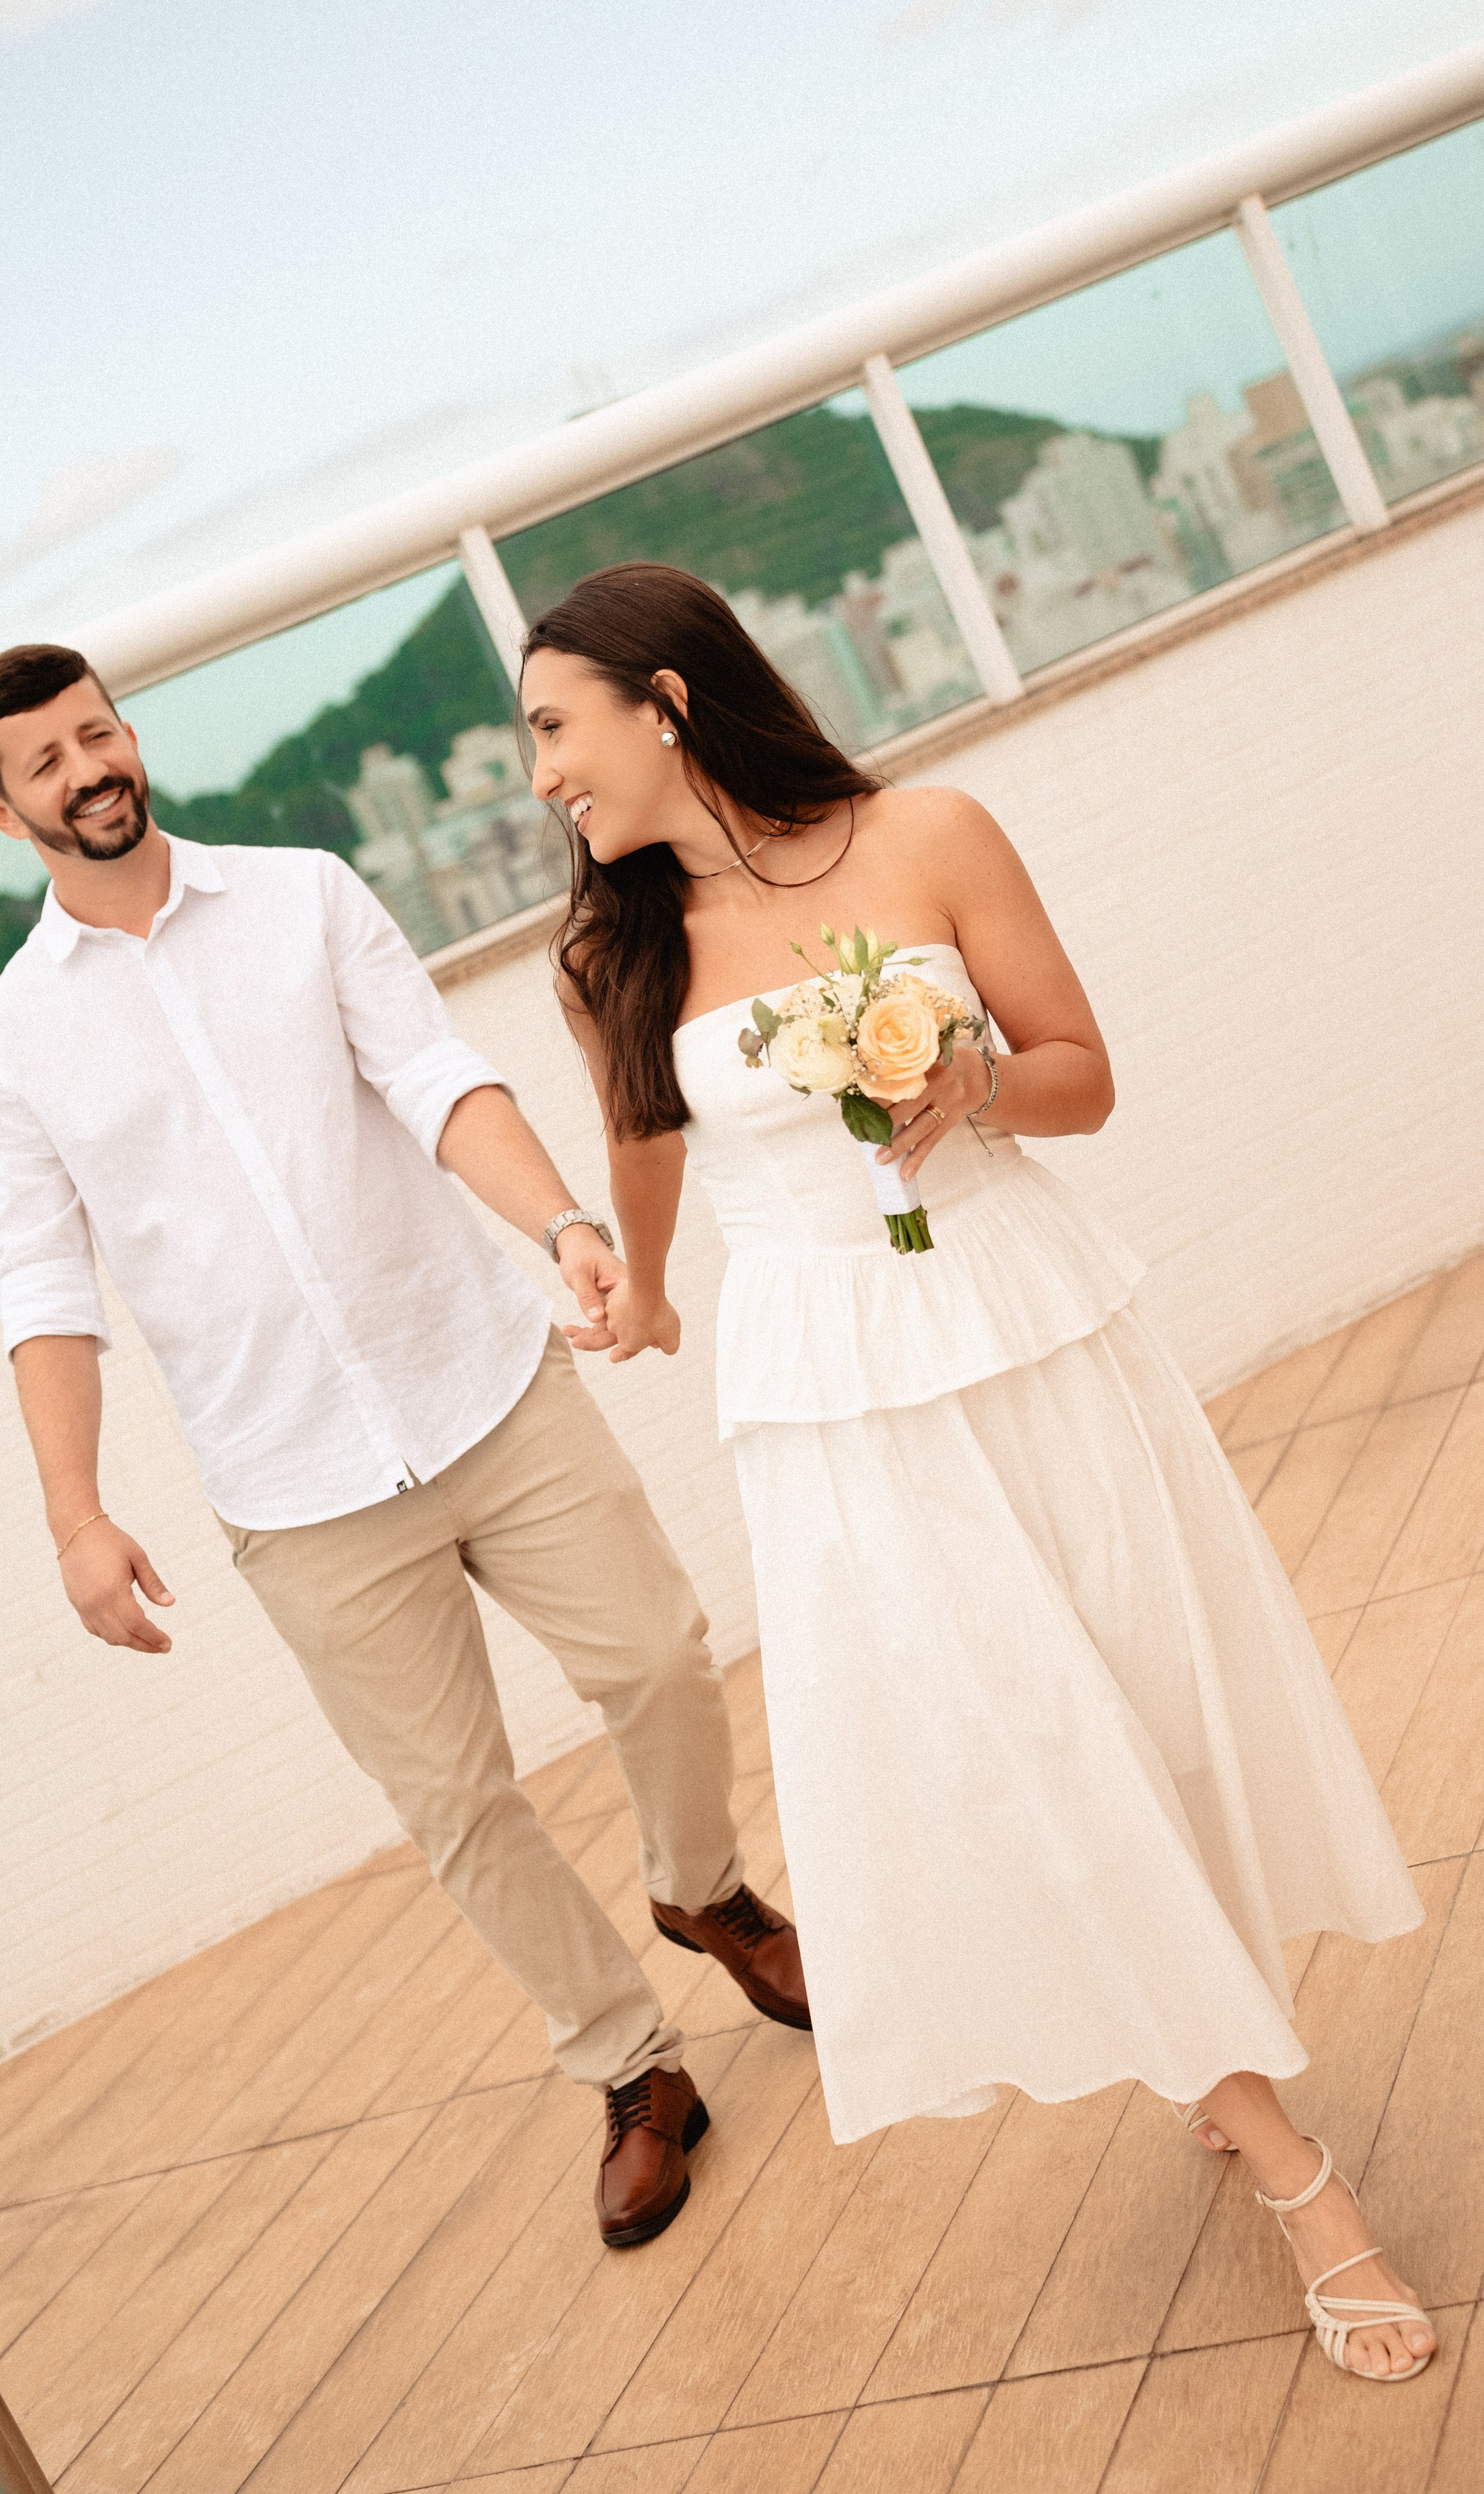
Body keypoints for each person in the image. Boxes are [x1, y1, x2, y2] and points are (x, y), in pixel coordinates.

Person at [521, 562, 1435, 2383]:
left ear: (668, 700)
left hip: (1029, 1322)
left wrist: (969, 1087)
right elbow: (644, 1192)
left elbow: (1082, 1072)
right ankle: (1295, 2172)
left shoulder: (927, 830)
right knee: (1029, 1746)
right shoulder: (605, 957)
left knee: (1143, 1706)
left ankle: (1197, 2036)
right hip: (836, 1400)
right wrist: (615, 1295)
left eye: (554, 726)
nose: (540, 772)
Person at [0, 639, 809, 2250]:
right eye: (46, 763)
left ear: (129, 736)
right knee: (463, 1812)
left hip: (481, 1380)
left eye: (99, 733)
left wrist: (559, 1222)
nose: (89, 770)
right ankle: (631, 2070)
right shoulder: (3, 1047)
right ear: (4, 816)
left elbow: (431, 1077)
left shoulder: (301, 893)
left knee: (659, 1657)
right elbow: (44, 1278)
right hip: (289, 1484)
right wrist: (74, 1510)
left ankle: (702, 1883)